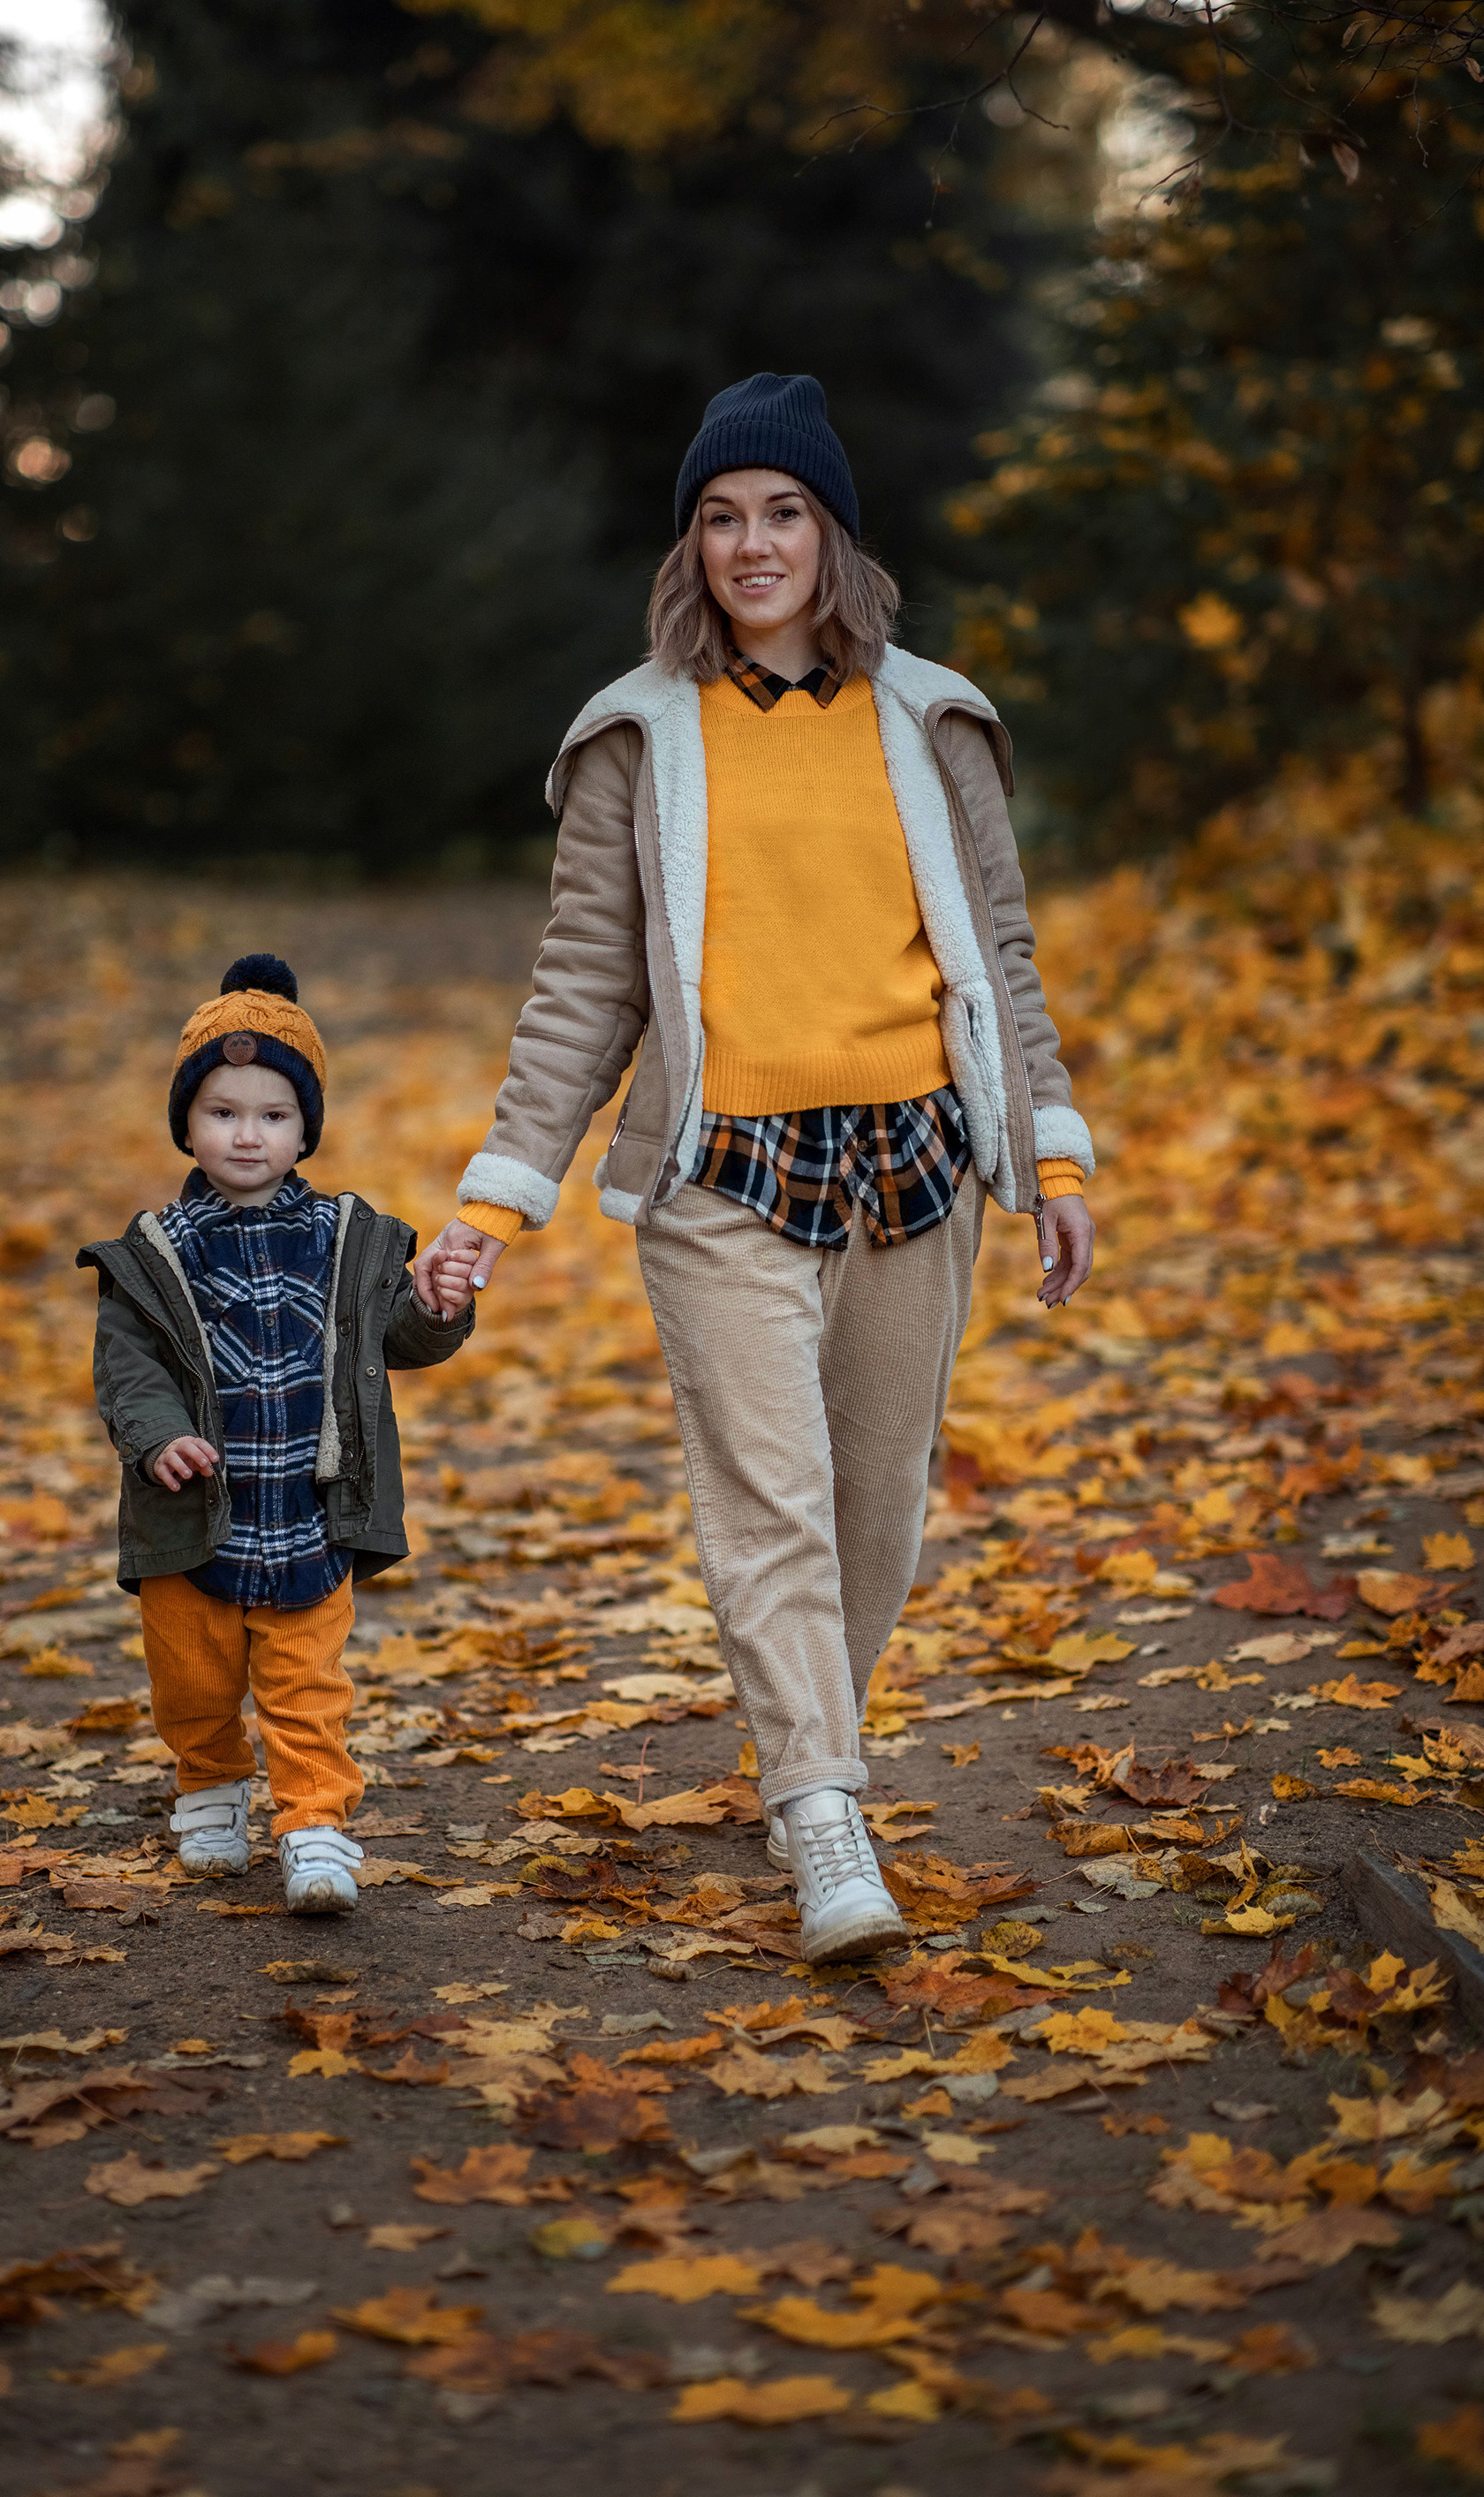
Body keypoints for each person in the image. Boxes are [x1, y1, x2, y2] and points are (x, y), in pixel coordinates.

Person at [417, 372, 1095, 1964]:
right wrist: (496, 1197)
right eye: (720, 518)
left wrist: (1052, 1158)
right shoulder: (634, 738)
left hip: (916, 1162)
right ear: (690, 548)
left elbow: (1001, 954)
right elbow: (585, 981)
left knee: (878, 1513)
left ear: (834, 534)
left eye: (782, 511)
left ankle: (812, 1747)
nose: (751, 543)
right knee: (768, 1506)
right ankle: (821, 1818)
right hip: (722, 1170)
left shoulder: (934, 719)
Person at [78, 953, 474, 1915]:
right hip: (195, 1520)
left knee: (307, 1689)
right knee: (192, 1683)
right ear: (187, 1123)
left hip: (308, 1511)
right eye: (222, 1113)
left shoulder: (349, 1237)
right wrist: (159, 1437)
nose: (246, 1135)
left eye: (271, 1115)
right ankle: (210, 1783)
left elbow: (398, 1339)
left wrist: (433, 1307)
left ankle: (315, 1827)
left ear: (305, 1130)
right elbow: (127, 1368)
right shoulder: (155, 1251)